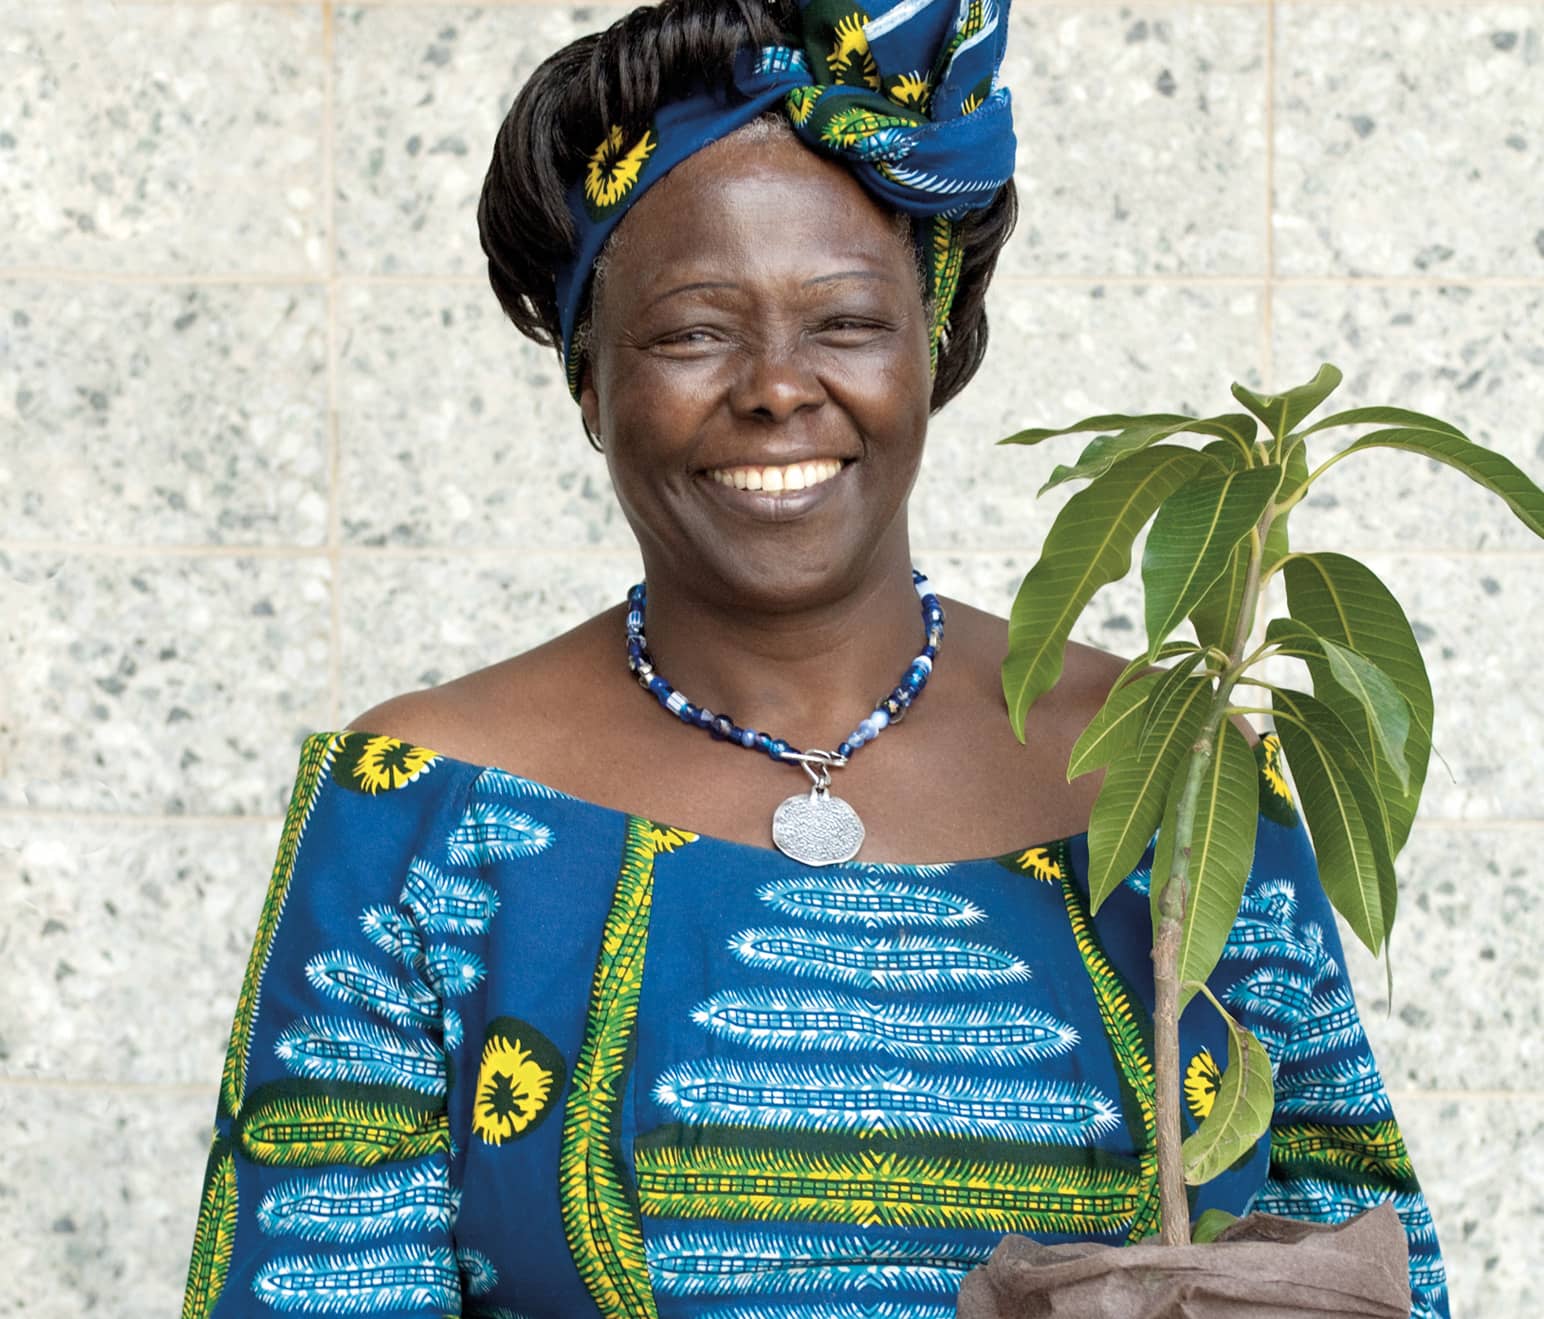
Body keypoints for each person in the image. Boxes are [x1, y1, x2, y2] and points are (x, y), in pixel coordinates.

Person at [180, 1, 1449, 1315]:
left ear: (932, 349)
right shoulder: (418, 808)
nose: (779, 387)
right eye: (690, 332)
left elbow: (1366, 1264)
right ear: (588, 384)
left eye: (845, 323)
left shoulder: (1172, 771)